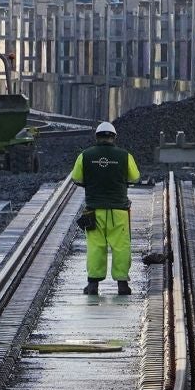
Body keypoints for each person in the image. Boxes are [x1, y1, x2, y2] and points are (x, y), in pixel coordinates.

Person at [70, 120, 140, 296]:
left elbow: (76, 178)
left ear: (96, 137)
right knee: (121, 246)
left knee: (95, 246)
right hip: (119, 211)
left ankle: (93, 285)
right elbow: (135, 177)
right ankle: (122, 285)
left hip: (94, 211)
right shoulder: (125, 156)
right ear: (114, 137)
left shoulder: (85, 155)